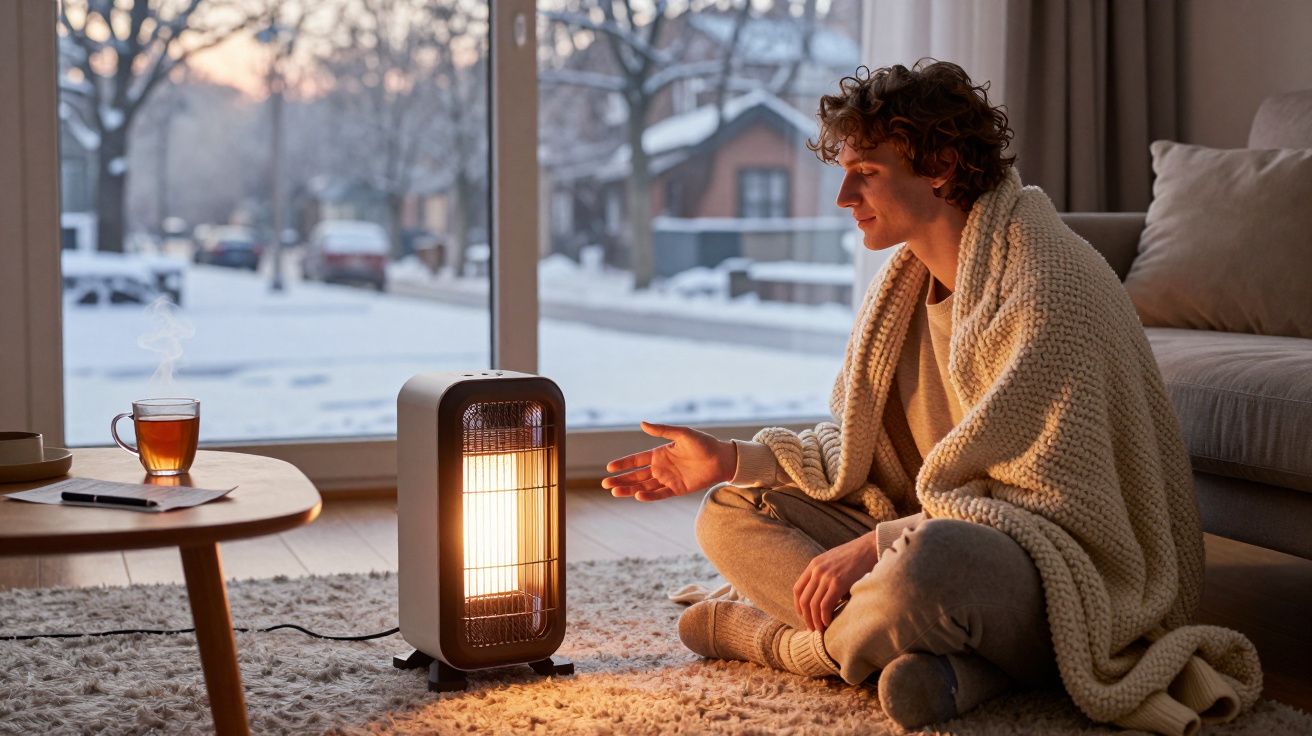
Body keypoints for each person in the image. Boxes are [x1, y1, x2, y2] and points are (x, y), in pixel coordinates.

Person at [601, 61, 1259, 735]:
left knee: (928, 568)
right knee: (727, 512)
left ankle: (778, 642)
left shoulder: (1046, 285)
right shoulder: (902, 287)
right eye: (845, 172)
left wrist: (879, 546)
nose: (844, 197)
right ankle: (954, 668)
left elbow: (1054, 509)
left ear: (940, 166)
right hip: (925, 532)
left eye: (867, 172)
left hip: (1056, 568)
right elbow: (859, 451)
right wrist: (732, 459)